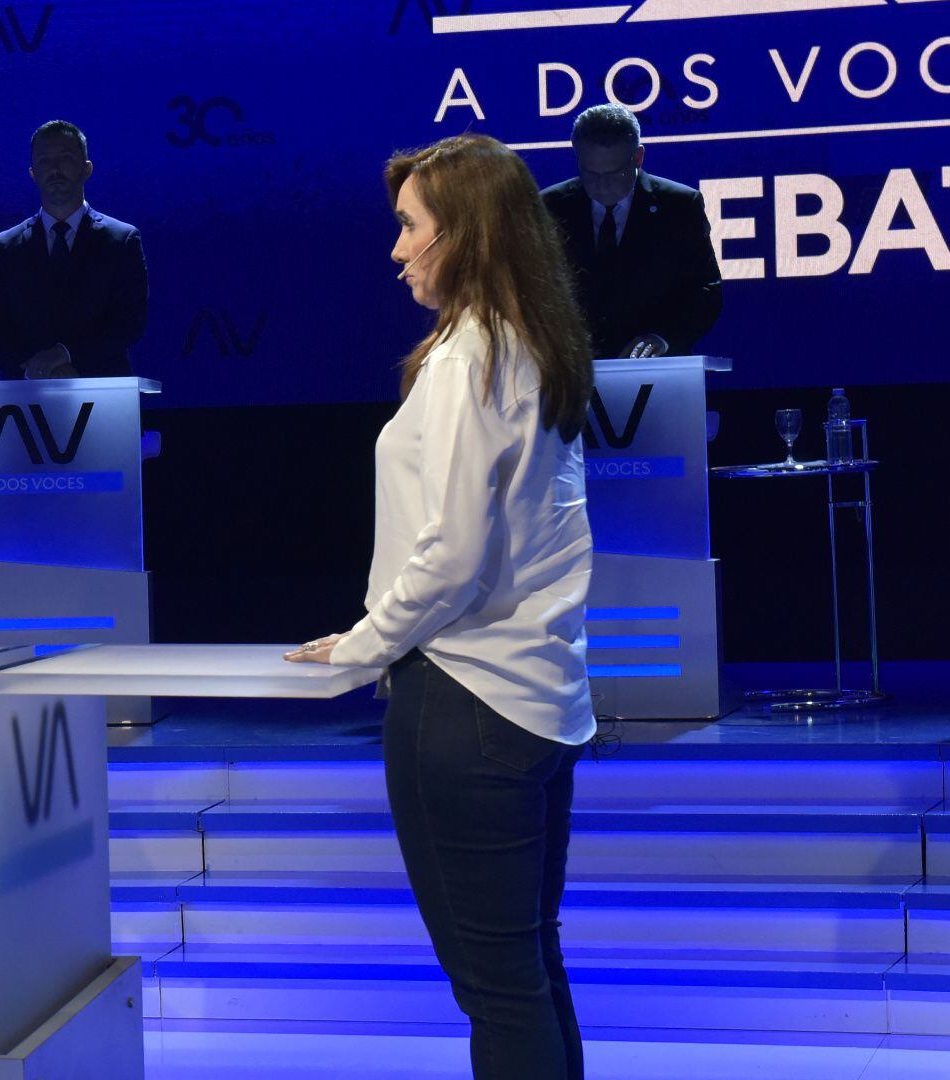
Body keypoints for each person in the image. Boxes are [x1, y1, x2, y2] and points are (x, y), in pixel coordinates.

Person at [288, 133, 596, 1079]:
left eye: (409, 226)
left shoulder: (470, 358)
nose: (397, 250)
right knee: (526, 972)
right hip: (532, 698)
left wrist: (366, 644)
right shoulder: (528, 342)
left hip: (466, 703)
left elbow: (453, 555)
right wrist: (374, 635)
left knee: (499, 990)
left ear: (463, 232)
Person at [540, 103, 722, 359]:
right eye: (591, 174)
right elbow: (533, 292)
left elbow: (705, 289)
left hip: (657, 369)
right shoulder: (550, 207)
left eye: (615, 173)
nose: (602, 186)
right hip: (573, 368)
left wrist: (664, 338)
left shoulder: (679, 206)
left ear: (638, 157)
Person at [0, 119, 148, 379]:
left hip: (102, 390)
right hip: (26, 394)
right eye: (44, 161)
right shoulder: (4, 248)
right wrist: (35, 367)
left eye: (65, 158)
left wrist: (65, 355)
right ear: (33, 173)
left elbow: (129, 323)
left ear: (86, 168)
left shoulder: (122, 241)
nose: (55, 169)